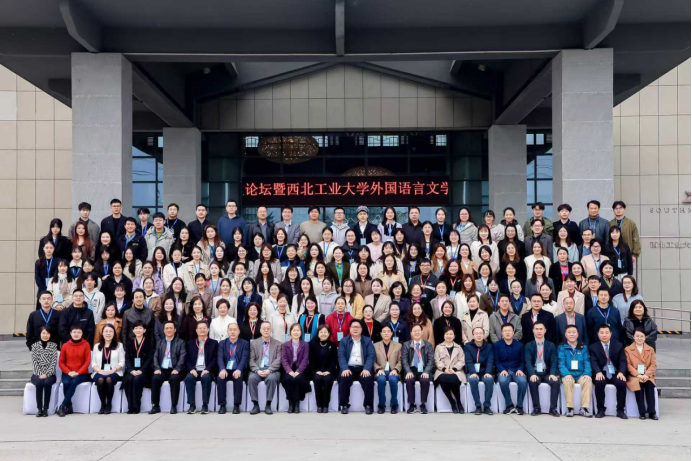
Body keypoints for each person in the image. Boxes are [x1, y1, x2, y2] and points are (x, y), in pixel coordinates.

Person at [589, 324, 629, 419]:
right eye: (602, 333)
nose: (604, 335)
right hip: (601, 372)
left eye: (606, 333)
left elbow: (622, 360)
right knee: (599, 382)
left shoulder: (618, 345)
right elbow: (593, 361)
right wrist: (598, 372)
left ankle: (620, 410)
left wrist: (621, 372)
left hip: (615, 372)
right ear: (598, 334)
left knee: (621, 383)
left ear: (611, 333)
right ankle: (601, 410)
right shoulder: (593, 347)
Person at [338, 319, 376, 415]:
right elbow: (341, 356)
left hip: (362, 368)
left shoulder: (367, 341)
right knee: (344, 378)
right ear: (350, 329)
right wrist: (345, 368)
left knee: (368, 379)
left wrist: (367, 368)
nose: (355, 329)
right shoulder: (344, 341)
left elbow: (371, 356)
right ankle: (344, 405)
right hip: (349, 367)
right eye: (353, 327)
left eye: (357, 327)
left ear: (361, 329)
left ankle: (368, 405)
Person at [149, 321, 187, 414]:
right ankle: (155, 406)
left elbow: (182, 357)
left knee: (174, 379)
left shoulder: (181, 342)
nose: (169, 330)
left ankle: (173, 406)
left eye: (171, 328)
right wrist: (157, 368)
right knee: (155, 378)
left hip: (175, 369)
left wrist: (177, 369)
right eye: (166, 328)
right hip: (162, 369)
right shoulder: (160, 342)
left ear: (175, 330)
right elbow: (155, 356)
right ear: (164, 330)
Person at [525, 322, 560, 417]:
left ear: (545, 330)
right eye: (536, 329)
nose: (539, 331)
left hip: (547, 372)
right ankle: (536, 408)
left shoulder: (551, 345)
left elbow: (554, 361)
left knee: (555, 381)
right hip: (535, 372)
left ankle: (553, 408)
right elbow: (528, 362)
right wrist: (532, 374)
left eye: (541, 329)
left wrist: (552, 373)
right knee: (533, 381)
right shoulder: (529, 345)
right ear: (533, 331)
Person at [182, 321, 218, 414]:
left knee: (206, 378)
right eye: (200, 328)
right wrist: (191, 369)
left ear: (208, 330)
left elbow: (215, 359)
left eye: (204, 328)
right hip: (194, 370)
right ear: (196, 330)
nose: (202, 330)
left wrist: (207, 369)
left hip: (207, 370)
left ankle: (205, 405)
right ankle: (192, 405)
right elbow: (187, 359)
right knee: (189, 378)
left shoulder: (213, 343)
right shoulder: (190, 343)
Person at [558, 325, 593, 417]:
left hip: (581, 374)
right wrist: (566, 374)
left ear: (578, 334)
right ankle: (570, 408)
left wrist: (587, 374)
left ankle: (584, 408)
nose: (572, 334)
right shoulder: (562, 348)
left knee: (588, 381)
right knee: (568, 382)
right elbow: (561, 363)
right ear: (565, 335)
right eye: (569, 332)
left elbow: (587, 362)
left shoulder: (583, 347)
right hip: (568, 374)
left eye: (574, 332)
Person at [248, 322, 282, 415]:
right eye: (264, 328)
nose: (266, 330)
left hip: (272, 370)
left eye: (268, 328)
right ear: (260, 330)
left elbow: (279, 360)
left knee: (271, 378)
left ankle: (268, 405)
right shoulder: (254, 343)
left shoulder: (278, 344)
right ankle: (255, 405)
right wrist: (257, 370)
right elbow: (251, 360)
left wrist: (269, 370)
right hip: (258, 369)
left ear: (271, 330)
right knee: (251, 378)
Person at [57, 325, 92, 417]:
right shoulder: (65, 345)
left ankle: (63, 406)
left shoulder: (86, 344)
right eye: (74, 332)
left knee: (73, 382)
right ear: (70, 333)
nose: (76, 334)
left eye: (79, 332)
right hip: (68, 372)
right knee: (66, 382)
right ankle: (69, 406)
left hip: (81, 373)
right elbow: (61, 362)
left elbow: (87, 361)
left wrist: (78, 372)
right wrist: (68, 372)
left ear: (82, 334)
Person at [216, 322, 250, 414]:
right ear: (227, 331)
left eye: (235, 330)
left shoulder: (244, 343)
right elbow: (219, 357)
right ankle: (222, 405)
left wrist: (239, 369)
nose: (232, 332)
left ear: (239, 331)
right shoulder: (222, 343)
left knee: (238, 378)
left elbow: (244, 358)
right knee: (220, 378)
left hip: (238, 369)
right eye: (230, 330)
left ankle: (236, 405)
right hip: (226, 369)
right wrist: (222, 369)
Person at [91, 324, 125, 414]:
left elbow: (122, 362)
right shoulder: (97, 346)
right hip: (100, 371)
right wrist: (99, 371)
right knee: (101, 379)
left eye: (110, 331)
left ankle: (109, 404)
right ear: (102, 333)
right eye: (106, 331)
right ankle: (103, 404)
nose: (108, 333)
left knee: (109, 379)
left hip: (115, 372)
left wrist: (113, 370)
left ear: (114, 333)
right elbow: (93, 363)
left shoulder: (119, 345)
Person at [625, 329, 658, 420]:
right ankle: (642, 412)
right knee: (638, 386)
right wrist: (638, 375)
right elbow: (628, 365)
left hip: (647, 375)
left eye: (641, 336)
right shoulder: (628, 349)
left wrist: (646, 375)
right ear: (633, 337)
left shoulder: (650, 349)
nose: (639, 338)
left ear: (645, 337)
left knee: (649, 386)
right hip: (634, 375)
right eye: (637, 336)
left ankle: (652, 412)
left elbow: (653, 364)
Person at [494, 323, 527, 415]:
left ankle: (519, 406)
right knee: (503, 381)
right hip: (503, 370)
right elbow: (496, 361)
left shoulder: (520, 345)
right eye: (505, 331)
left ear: (513, 332)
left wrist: (520, 369)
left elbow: (523, 361)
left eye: (509, 331)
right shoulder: (497, 345)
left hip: (516, 370)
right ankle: (509, 405)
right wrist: (502, 370)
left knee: (523, 381)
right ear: (502, 333)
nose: (507, 333)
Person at [402, 324, 435, 414]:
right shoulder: (406, 344)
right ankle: (411, 404)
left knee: (425, 380)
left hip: (424, 369)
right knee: (409, 380)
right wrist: (408, 371)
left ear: (422, 332)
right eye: (414, 331)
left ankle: (423, 404)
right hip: (411, 369)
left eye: (418, 331)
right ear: (411, 333)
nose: (416, 332)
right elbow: (404, 360)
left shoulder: (428, 345)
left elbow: (431, 360)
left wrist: (426, 371)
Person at [122, 320, 153, 414]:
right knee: (128, 379)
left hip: (144, 371)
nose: (138, 330)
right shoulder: (129, 342)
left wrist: (141, 370)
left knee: (137, 379)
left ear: (144, 330)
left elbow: (150, 358)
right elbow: (127, 358)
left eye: (140, 328)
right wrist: (131, 370)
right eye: (136, 328)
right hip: (132, 370)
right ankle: (130, 406)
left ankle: (136, 406)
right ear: (133, 330)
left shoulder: (149, 342)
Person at [434, 327, 466, 414]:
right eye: (447, 334)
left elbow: (462, 360)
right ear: (444, 336)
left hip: (456, 371)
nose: (449, 336)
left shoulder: (459, 347)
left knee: (454, 379)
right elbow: (437, 360)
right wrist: (444, 369)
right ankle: (452, 401)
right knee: (443, 379)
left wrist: (454, 369)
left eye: (451, 334)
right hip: (442, 371)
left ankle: (458, 402)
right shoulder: (438, 347)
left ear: (454, 336)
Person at [279, 324, 309, 413]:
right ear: (290, 333)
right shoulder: (285, 345)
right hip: (289, 367)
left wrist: (299, 371)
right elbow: (284, 360)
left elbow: (305, 359)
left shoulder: (305, 344)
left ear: (301, 333)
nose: (296, 332)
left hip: (300, 368)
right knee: (288, 379)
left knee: (298, 379)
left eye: (298, 330)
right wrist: (289, 371)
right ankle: (290, 403)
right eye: (294, 330)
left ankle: (297, 403)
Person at [29, 326, 59, 417]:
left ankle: (45, 409)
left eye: (48, 333)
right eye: (43, 333)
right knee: (38, 383)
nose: (45, 335)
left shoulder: (54, 346)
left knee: (47, 383)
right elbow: (34, 362)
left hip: (50, 373)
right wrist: (40, 374)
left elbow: (53, 362)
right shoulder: (34, 346)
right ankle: (39, 409)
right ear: (40, 334)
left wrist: (46, 374)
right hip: (37, 373)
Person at [465, 326, 495, 415]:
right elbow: (468, 361)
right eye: (476, 333)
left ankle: (487, 406)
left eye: (481, 333)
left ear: (484, 335)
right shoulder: (468, 346)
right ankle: (478, 406)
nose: (479, 335)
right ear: (473, 335)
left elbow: (490, 360)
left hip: (485, 371)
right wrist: (473, 372)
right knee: (473, 380)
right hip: (473, 372)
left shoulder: (489, 346)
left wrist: (488, 372)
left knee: (489, 380)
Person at [309, 325, 339, 413]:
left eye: (325, 332)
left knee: (328, 380)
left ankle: (325, 405)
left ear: (329, 333)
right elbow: (311, 360)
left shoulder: (332, 345)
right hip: (316, 371)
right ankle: (319, 406)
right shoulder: (312, 344)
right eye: (321, 332)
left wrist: (329, 371)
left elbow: (334, 361)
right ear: (318, 334)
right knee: (317, 380)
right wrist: (316, 371)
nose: (323, 334)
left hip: (329, 371)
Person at [373, 324, 402, 414]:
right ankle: (381, 405)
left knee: (393, 380)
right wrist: (378, 369)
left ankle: (394, 404)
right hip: (380, 371)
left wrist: (396, 370)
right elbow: (372, 360)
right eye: (384, 332)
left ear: (391, 333)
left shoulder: (398, 345)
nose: (386, 333)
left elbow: (401, 360)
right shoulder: (375, 346)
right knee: (381, 380)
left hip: (393, 371)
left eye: (388, 332)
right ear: (381, 334)